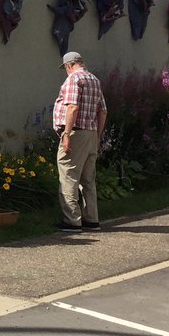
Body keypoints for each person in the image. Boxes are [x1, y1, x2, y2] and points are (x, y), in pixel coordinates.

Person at [52, 51, 108, 232]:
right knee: (88, 179)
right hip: (91, 133)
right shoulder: (95, 80)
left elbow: (73, 107)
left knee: (68, 176)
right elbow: (103, 111)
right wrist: (97, 136)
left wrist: (66, 134)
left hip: (76, 133)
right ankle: (91, 219)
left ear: (69, 65)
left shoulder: (74, 79)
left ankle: (72, 221)